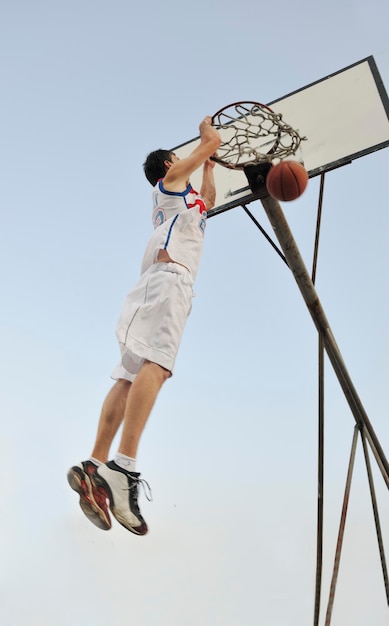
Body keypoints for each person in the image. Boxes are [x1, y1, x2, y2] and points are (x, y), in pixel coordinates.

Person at [67, 116, 221, 536]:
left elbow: (208, 200)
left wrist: (209, 168)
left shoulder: (186, 203)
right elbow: (203, 149)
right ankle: (124, 467)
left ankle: (94, 466)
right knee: (159, 366)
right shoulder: (168, 186)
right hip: (169, 283)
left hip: (159, 286)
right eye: (180, 161)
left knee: (131, 375)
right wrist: (210, 135)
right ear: (170, 165)